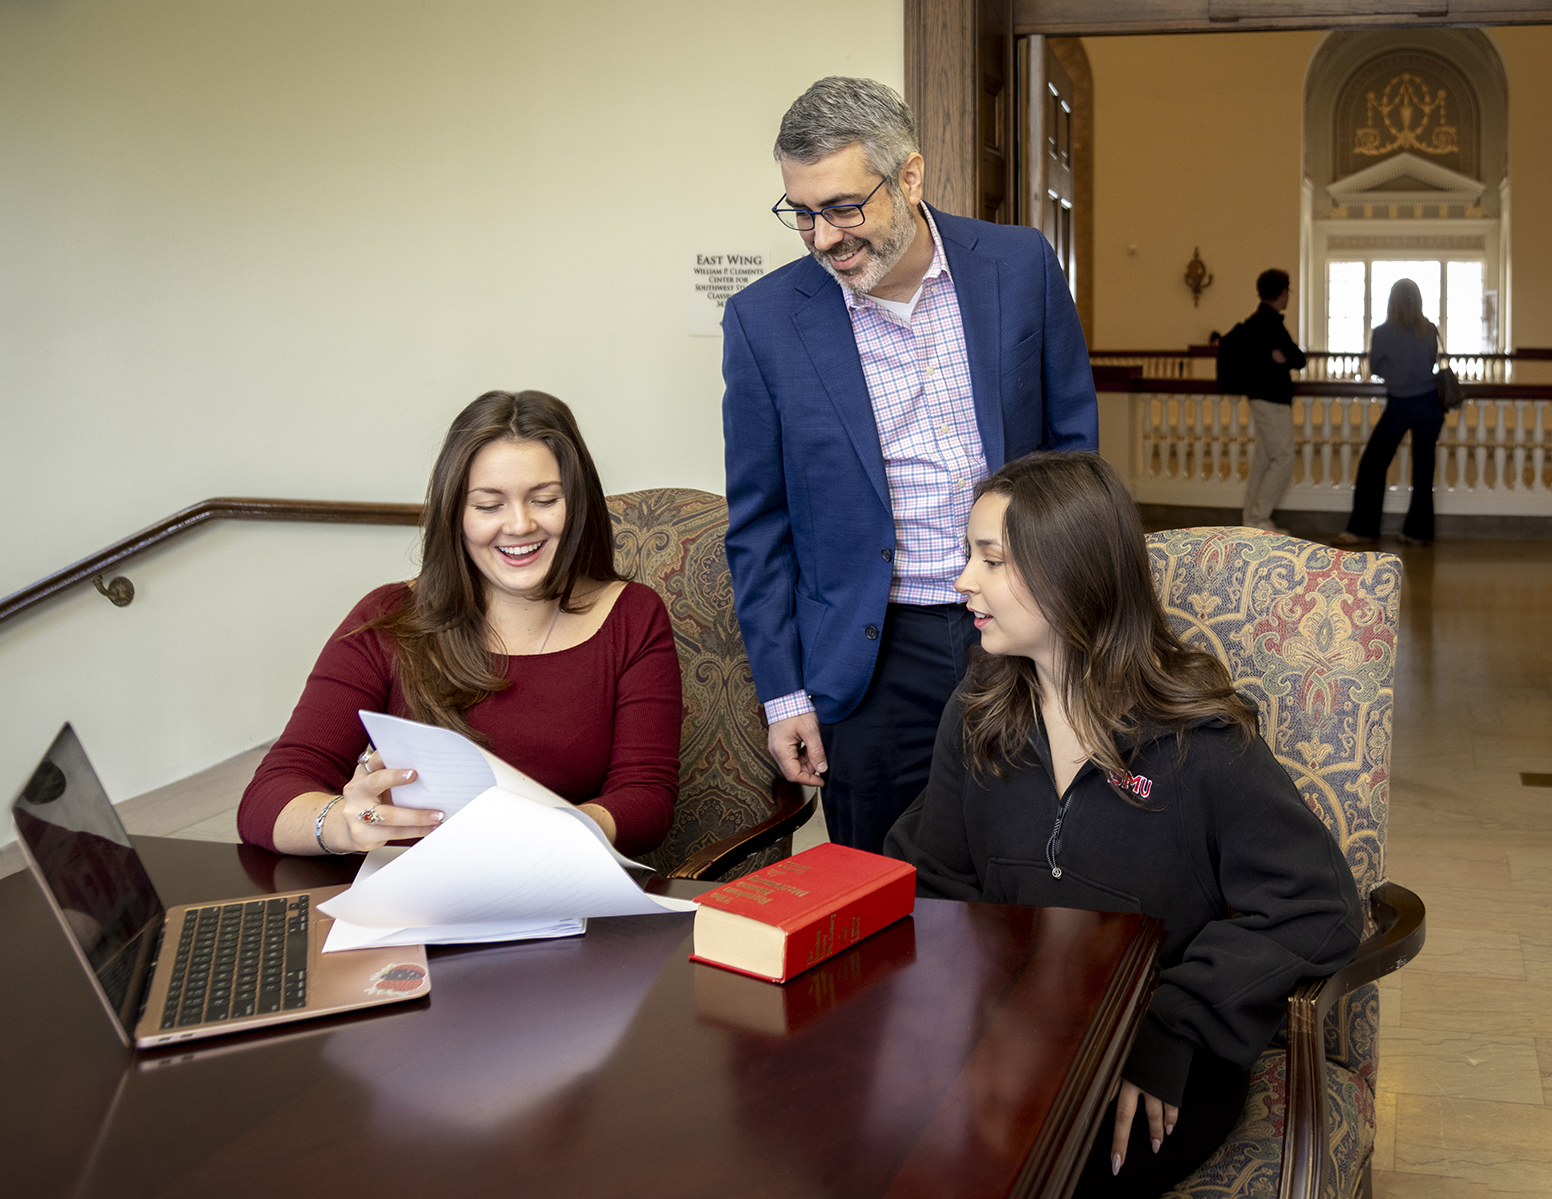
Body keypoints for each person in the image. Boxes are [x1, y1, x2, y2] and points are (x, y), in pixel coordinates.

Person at [885, 451, 1361, 1197]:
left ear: (1069, 573)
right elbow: (934, 876)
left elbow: (1319, 906)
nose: (962, 581)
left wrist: (1171, 1024)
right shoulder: (978, 714)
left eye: (990, 559)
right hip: (1008, 1040)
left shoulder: (1200, 742)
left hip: (1159, 1058)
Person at [722, 77, 1098, 854]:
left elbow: (1074, 453)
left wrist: (1073, 617)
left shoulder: (1019, 265)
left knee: (1036, 862)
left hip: (1021, 630)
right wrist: (784, 695)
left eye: (843, 208)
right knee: (885, 887)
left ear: (911, 178)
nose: (823, 237)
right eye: (802, 212)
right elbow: (759, 527)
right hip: (871, 659)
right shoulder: (764, 323)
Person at [238, 390, 682, 858]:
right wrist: (342, 826)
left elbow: (646, 799)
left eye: (545, 500)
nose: (519, 525)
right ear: (456, 514)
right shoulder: (389, 617)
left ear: (579, 505)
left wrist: (549, 831)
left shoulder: (632, 615)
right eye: (489, 506)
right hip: (412, 895)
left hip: (556, 879)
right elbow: (268, 797)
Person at [1333, 278, 1444, 547]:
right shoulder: (1429, 329)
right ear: (1418, 301)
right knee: (1423, 468)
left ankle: (1364, 528)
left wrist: (1397, 370)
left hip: (1400, 403)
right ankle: (1418, 532)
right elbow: (1430, 361)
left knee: (1372, 465)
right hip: (1430, 403)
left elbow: (1376, 368)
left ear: (1391, 301)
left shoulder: (1382, 332)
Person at [1220, 268, 1306, 535]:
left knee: (1264, 459)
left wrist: (1283, 357)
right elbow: (1299, 359)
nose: (1288, 296)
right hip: (1272, 399)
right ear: (1282, 293)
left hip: (1261, 397)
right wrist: (1282, 358)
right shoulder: (1270, 322)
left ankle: (1251, 517)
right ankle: (1258, 519)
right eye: (1287, 291)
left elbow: (1289, 356)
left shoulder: (1255, 321)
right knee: (1283, 459)